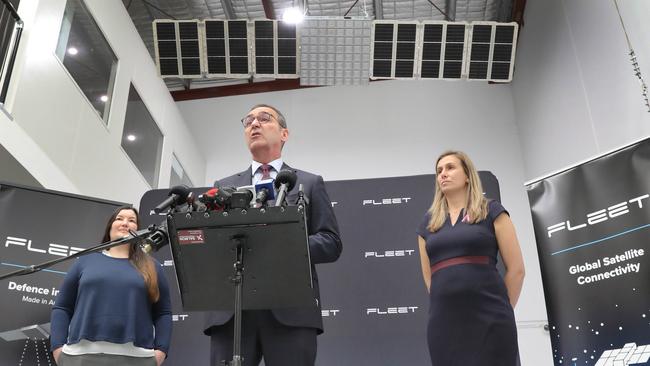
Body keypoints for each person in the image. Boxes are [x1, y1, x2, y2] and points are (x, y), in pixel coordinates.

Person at [204, 104, 342, 366]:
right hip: (233, 310)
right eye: (248, 121)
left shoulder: (309, 183)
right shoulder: (223, 187)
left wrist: (285, 244)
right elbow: (212, 244)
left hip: (291, 309)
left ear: (284, 134)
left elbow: (331, 242)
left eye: (264, 118)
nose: (254, 124)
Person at [416, 150, 525, 365]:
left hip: (491, 319)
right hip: (444, 324)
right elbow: (430, 280)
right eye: (439, 171)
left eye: (450, 167)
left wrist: (501, 309)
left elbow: (517, 269)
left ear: (467, 175)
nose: (443, 174)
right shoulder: (428, 224)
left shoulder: (491, 211)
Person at [50, 206, 172, 366]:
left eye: (132, 220)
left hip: (137, 359)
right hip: (80, 356)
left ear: (138, 229)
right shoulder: (85, 261)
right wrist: (58, 348)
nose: (125, 223)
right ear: (110, 227)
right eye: (119, 218)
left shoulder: (152, 266)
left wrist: (161, 351)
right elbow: (62, 307)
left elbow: (163, 313)